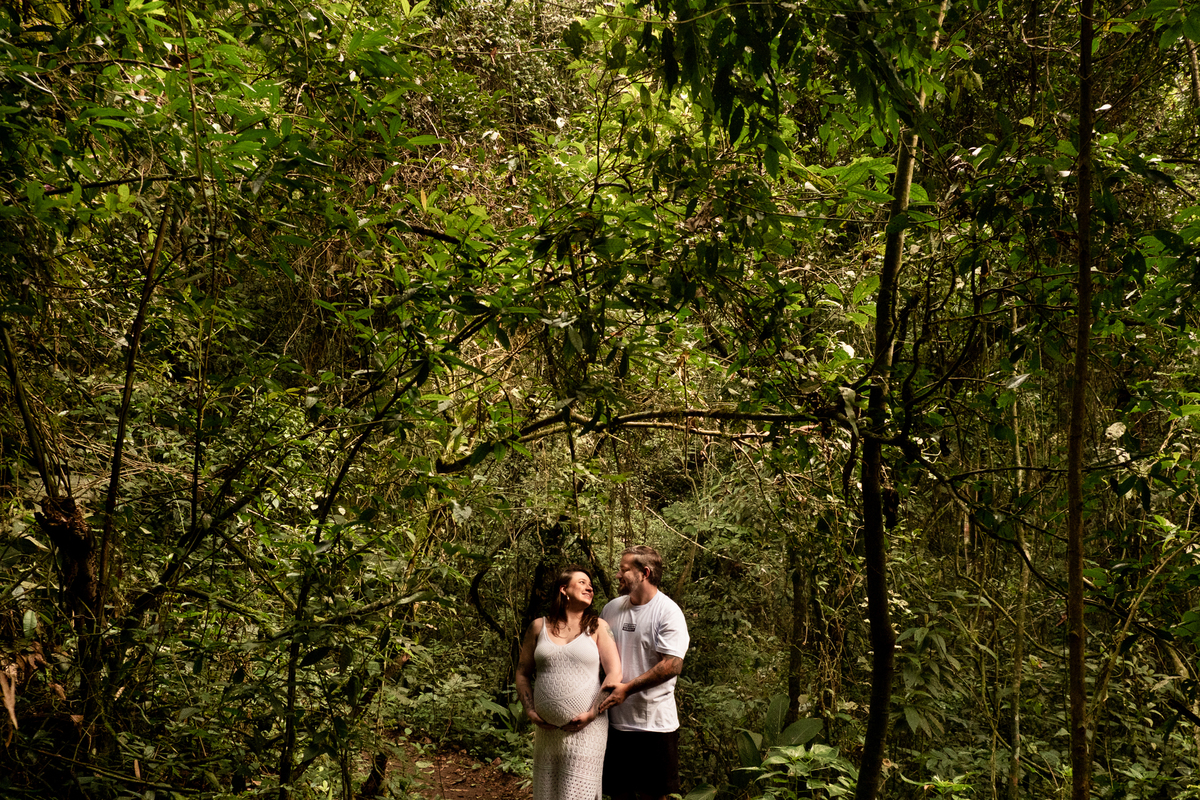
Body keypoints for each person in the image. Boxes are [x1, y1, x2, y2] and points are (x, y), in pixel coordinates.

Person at [516, 566, 622, 800]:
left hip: (588, 728)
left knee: (578, 794)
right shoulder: (538, 626)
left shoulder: (598, 627)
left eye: (590, 584)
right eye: (582, 582)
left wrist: (592, 714)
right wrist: (530, 710)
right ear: (564, 589)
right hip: (547, 732)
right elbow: (522, 673)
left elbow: (614, 673)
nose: (590, 587)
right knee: (547, 793)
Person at [598, 545, 690, 800]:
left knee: (655, 796)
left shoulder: (668, 612)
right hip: (615, 724)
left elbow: (672, 664)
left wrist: (627, 689)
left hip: (655, 726)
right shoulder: (611, 609)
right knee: (619, 794)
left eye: (624, 570)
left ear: (645, 573)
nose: (618, 575)